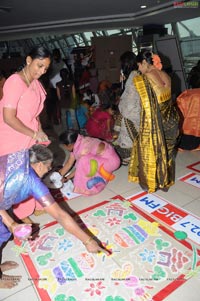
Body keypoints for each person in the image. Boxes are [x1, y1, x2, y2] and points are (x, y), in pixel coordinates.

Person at [0, 145, 107, 289]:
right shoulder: (32, 181)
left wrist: (10, 222)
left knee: (3, 233)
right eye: (48, 167)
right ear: (38, 164)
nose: (48, 171)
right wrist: (88, 241)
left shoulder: (21, 154)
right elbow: (60, 215)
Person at [128, 50, 180, 193]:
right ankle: (165, 182)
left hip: (157, 121)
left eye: (139, 65)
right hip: (172, 119)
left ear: (144, 62)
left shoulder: (143, 79)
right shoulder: (166, 75)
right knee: (168, 152)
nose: (138, 69)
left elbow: (141, 104)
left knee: (151, 150)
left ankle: (152, 182)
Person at [0, 46, 50, 157]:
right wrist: (34, 134)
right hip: (12, 139)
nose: (42, 71)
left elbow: (35, 114)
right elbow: (8, 118)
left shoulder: (35, 83)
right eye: (40, 66)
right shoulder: (15, 82)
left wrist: (40, 130)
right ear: (28, 60)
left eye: (46, 68)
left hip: (28, 136)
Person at [58, 130, 120, 195]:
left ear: (70, 145)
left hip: (111, 162)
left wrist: (68, 177)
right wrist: (60, 176)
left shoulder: (83, 149)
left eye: (64, 146)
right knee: (85, 161)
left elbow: (80, 167)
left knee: (84, 160)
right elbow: (69, 163)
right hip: (104, 160)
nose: (64, 148)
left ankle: (93, 188)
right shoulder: (78, 143)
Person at [114, 51, 141, 165]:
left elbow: (130, 98)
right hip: (137, 109)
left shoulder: (133, 76)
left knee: (126, 133)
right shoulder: (136, 74)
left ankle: (129, 157)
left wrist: (121, 107)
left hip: (132, 111)